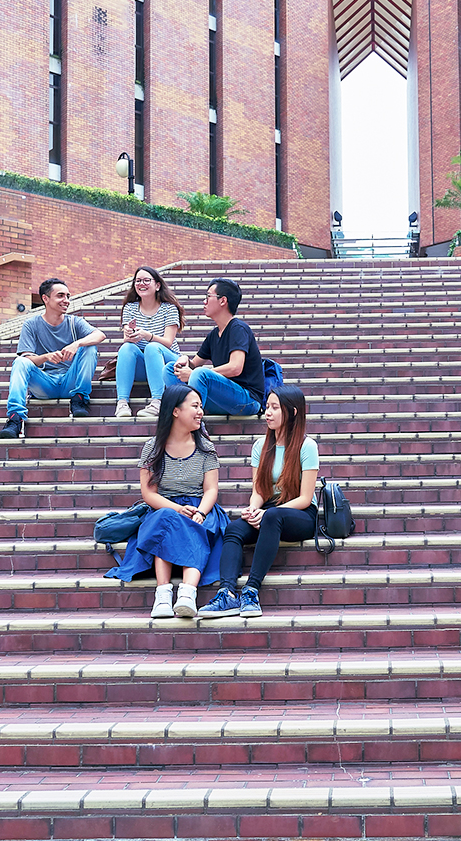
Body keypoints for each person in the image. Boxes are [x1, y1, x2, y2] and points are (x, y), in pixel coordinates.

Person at [105, 383, 229, 618]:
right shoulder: (153, 448)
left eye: (201, 406)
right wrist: (176, 508)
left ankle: (187, 593)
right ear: (175, 411)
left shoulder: (206, 448)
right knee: (166, 519)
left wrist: (200, 512)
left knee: (194, 525)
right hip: (165, 505)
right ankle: (162, 594)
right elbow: (149, 494)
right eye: (195, 406)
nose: (201, 411)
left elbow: (211, 489)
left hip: (200, 507)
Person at [199, 383, 319, 618]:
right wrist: (253, 509)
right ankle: (226, 593)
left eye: (275, 408)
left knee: (273, 515)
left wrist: (267, 514)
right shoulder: (260, 446)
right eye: (267, 407)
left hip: (301, 514)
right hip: (271, 512)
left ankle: (251, 591)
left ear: (292, 411)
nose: (268, 413)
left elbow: (305, 498)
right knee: (233, 529)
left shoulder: (307, 446)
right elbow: (259, 491)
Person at [0, 278, 106, 438]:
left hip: (70, 383)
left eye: (68, 296)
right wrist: (46, 357)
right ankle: (15, 419)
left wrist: (76, 344)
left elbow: (100, 335)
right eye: (60, 296)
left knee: (89, 346)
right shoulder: (32, 324)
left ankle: (79, 399)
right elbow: (26, 358)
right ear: (45, 298)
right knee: (20, 362)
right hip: (44, 385)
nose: (66, 300)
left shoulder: (74, 322)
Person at [169, 278, 264, 417]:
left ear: (222, 301)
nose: (204, 301)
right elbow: (194, 364)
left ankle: (194, 425)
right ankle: (183, 415)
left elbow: (235, 367)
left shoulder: (238, 329)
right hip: (223, 400)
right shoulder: (214, 335)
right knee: (170, 369)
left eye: (208, 296)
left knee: (200, 374)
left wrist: (196, 374)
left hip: (247, 400)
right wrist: (184, 360)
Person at [113, 265, 185, 420]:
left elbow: (168, 342)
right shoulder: (130, 308)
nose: (141, 284)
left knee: (152, 347)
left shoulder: (169, 309)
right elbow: (127, 339)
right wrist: (129, 335)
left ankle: (158, 401)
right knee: (126, 347)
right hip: (143, 366)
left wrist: (147, 335)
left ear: (157, 285)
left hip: (167, 362)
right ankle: (122, 402)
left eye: (146, 280)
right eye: (138, 281)